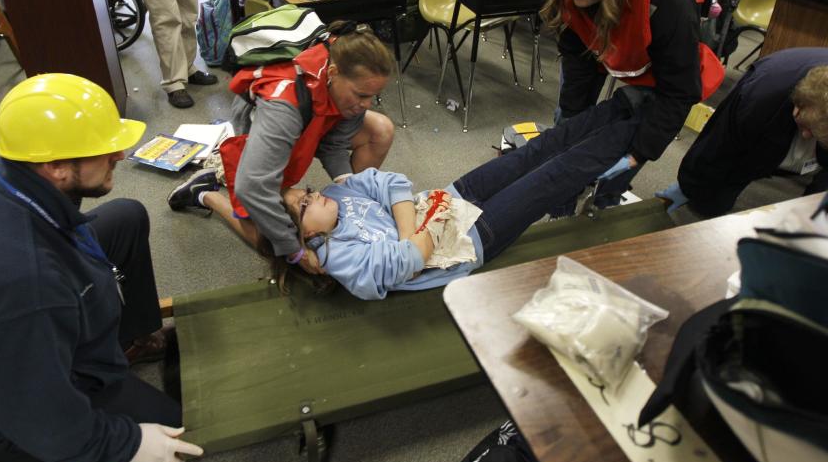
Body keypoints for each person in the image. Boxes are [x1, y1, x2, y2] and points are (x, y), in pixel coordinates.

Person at [0, 74, 202, 462]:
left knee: (125, 216)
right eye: (103, 150)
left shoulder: (2, 172)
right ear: (54, 166)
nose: (121, 155)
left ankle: (133, 338)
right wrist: (126, 444)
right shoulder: (23, 283)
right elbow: (38, 416)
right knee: (186, 429)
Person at [173, 87, 652, 299]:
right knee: (550, 178)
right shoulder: (341, 258)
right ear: (304, 239)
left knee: (530, 153)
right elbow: (406, 262)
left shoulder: (337, 201)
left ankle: (619, 108)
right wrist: (414, 234)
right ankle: (632, 131)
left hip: (444, 206)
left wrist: (410, 229)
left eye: (307, 192)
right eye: (303, 207)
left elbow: (392, 183)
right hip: (467, 242)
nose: (313, 196)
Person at [168, 20, 397, 275]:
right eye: (361, 95)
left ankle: (330, 210)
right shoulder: (284, 107)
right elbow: (253, 189)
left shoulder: (349, 81)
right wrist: (295, 251)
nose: (367, 104)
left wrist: (351, 190)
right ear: (332, 74)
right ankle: (206, 194)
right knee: (270, 237)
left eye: (373, 97)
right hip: (268, 126)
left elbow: (333, 145)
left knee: (381, 129)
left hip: (309, 115)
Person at [531, 0, 725, 195]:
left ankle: (605, 198)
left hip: (659, 66)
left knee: (630, 141)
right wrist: (570, 122)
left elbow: (679, 89)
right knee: (568, 127)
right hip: (610, 45)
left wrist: (637, 154)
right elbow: (577, 58)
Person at [659, 47, 828, 216]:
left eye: (813, 132)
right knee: (713, 199)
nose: (805, 135)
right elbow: (719, 146)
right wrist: (690, 185)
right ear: (798, 104)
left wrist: (814, 213)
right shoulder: (760, 98)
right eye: (805, 127)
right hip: (772, 90)